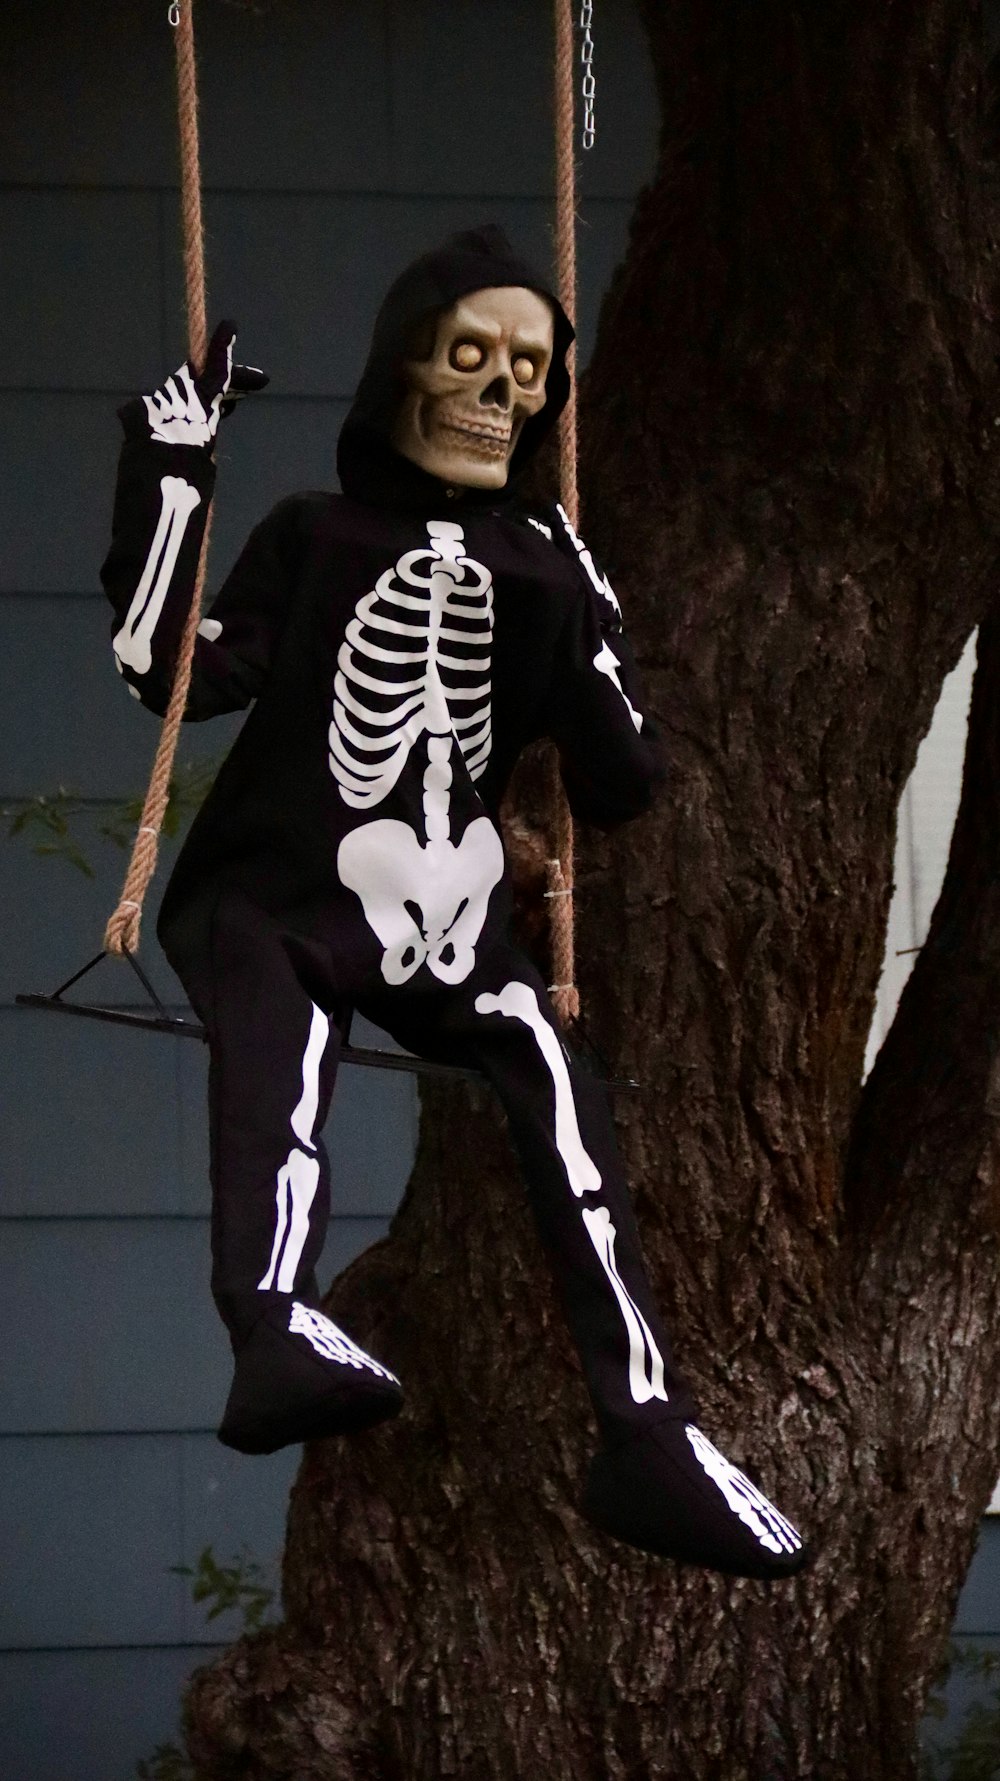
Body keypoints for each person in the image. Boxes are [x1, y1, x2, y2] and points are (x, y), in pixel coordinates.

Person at [101, 225, 808, 1579]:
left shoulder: (537, 571)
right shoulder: (314, 537)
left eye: (530, 370)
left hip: (449, 917)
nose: (502, 392)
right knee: (280, 1041)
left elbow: (624, 779)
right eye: (471, 356)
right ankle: (269, 1320)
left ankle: (645, 1423)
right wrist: (171, 476)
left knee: (551, 1066)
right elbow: (163, 668)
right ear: (402, 369)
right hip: (292, 897)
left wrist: (593, 627)